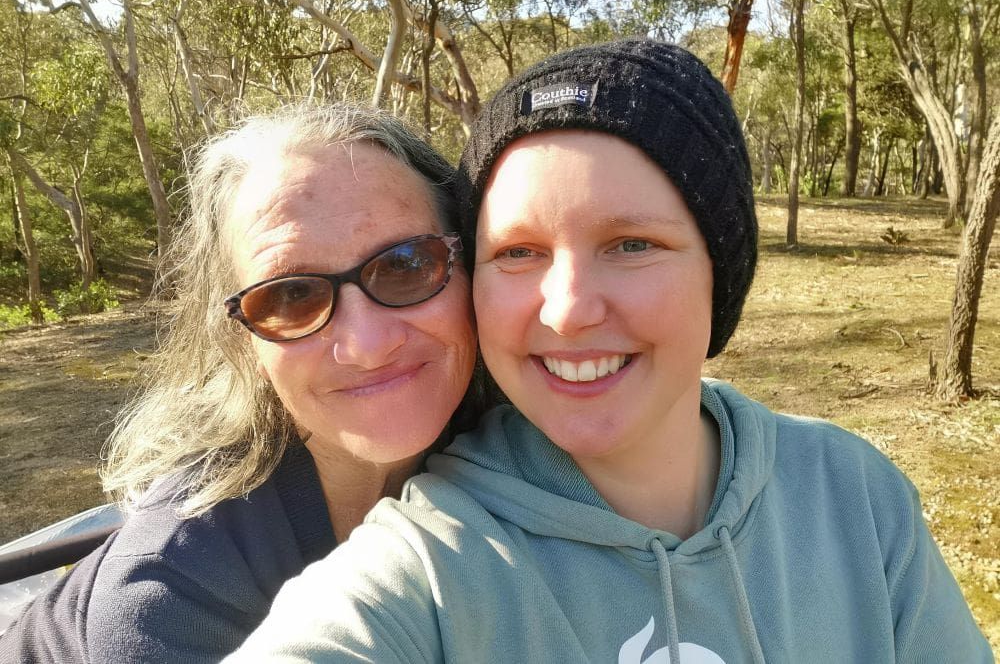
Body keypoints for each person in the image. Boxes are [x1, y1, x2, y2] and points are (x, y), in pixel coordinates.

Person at [228, 41, 993, 662]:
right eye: (519, 252)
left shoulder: (852, 496)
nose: (566, 310)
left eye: (631, 244)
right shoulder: (432, 567)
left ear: (717, 273)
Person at [0, 102, 480, 663]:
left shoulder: (523, 449)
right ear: (245, 341)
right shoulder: (173, 596)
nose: (367, 345)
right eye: (289, 296)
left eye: (405, 264)